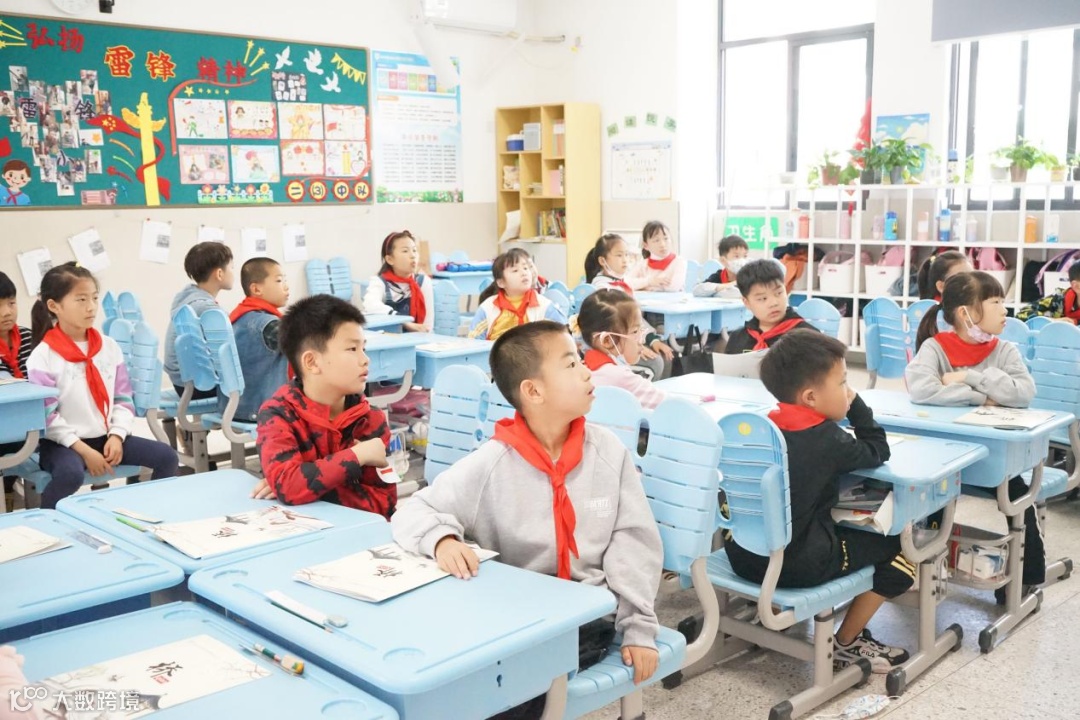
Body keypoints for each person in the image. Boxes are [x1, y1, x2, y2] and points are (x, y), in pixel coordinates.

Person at [392, 321, 663, 710]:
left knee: (514, 690)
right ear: (533, 391)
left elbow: (634, 542)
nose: (587, 371)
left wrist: (639, 627)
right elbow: (415, 509)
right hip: (514, 620)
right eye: (571, 364)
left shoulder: (607, 451)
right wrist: (443, 540)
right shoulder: (493, 462)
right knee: (448, 679)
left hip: (586, 619)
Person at [725, 329, 914, 672]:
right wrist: (857, 406)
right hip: (796, 567)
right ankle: (847, 642)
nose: (848, 390)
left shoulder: (762, 427)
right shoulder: (826, 439)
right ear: (811, 397)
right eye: (843, 383)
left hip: (742, 557)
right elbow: (877, 449)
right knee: (903, 548)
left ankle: (772, 612)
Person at [906, 271, 1043, 600]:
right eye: (996, 302)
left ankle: (1026, 576)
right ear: (965, 313)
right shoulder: (935, 347)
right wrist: (984, 397)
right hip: (943, 458)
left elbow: (1024, 393)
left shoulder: (1004, 350)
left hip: (993, 460)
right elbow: (922, 390)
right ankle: (924, 566)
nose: (1005, 310)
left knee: (1018, 495)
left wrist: (968, 377)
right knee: (931, 495)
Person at [26, 263, 178, 509]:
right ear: (54, 306)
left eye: (94, 298)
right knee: (70, 474)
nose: (91, 307)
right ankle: (45, 520)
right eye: (81, 299)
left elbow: (123, 399)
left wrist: (117, 435)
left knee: (167, 456)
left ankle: (149, 511)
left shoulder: (108, 347)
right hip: (63, 444)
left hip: (106, 437)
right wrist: (84, 451)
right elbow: (47, 416)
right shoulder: (42, 356)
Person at [251, 295, 396, 519]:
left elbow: (384, 504)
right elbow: (288, 485)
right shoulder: (278, 415)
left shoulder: (370, 420)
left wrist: (307, 486)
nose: (365, 359)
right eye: (352, 349)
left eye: (363, 348)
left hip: (358, 534)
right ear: (311, 362)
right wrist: (357, 455)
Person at [583, 233, 674, 377]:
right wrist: (639, 345)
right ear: (602, 260)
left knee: (665, 353)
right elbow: (614, 329)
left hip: (629, 337)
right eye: (619, 255)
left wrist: (652, 340)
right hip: (616, 345)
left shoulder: (620, 282)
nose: (625, 260)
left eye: (626, 255)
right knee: (657, 362)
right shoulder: (604, 289)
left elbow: (634, 320)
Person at [164, 241, 235, 398]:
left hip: (182, 383)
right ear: (219, 274)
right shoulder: (207, 309)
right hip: (200, 386)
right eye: (231, 267)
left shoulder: (187, 299)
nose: (233, 272)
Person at [578, 289, 666, 409]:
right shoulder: (620, 377)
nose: (642, 340)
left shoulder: (582, 368)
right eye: (635, 331)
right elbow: (667, 404)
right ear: (607, 340)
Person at [229, 257, 290, 422]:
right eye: (279, 281)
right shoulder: (268, 325)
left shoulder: (240, 316)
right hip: (262, 409)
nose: (286, 286)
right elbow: (306, 347)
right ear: (256, 289)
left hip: (233, 408)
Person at [468, 248, 566, 341]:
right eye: (515, 270)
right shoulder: (487, 308)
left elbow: (561, 337)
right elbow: (474, 340)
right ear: (501, 282)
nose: (524, 273)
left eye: (525, 268)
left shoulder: (545, 306)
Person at [724, 259, 817, 354]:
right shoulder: (737, 338)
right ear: (747, 302)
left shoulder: (808, 337)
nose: (774, 303)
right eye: (763, 298)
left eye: (778, 293)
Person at [0, 271, 33, 512]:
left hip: (31, 419)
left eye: (11, 303)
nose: (6, 312)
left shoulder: (28, 337)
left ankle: (9, 492)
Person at [362, 230, 434, 333]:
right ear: (390, 259)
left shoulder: (423, 282)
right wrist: (403, 322)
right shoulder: (379, 282)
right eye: (405, 251)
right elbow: (370, 304)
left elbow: (427, 325)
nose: (413, 255)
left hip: (418, 338)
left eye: (414, 250)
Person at [627, 221, 686, 292]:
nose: (662, 244)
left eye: (666, 238)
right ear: (646, 245)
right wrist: (650, 281)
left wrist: (642, 286)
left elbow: (673, 288)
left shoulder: (678, 261)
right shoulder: (643, 264)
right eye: (656, 240)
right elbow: (626, 282)